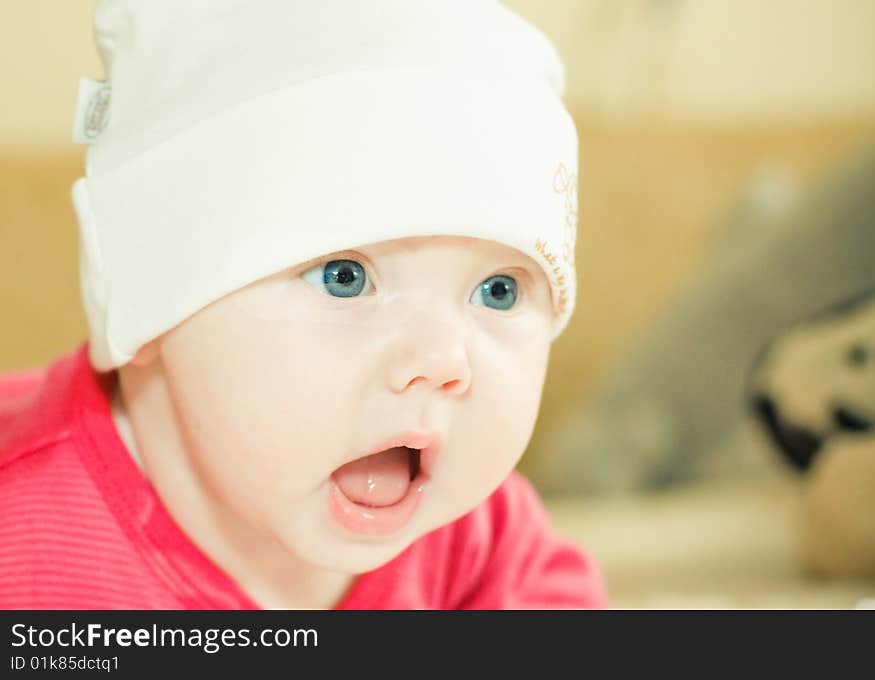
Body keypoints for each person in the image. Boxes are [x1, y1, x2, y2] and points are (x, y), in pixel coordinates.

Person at [0, 0, 605, 609]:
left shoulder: (485, 548)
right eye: (344, 277)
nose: (444, 359)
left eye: (498, 291)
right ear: (151, 302)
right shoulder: (24, 540)